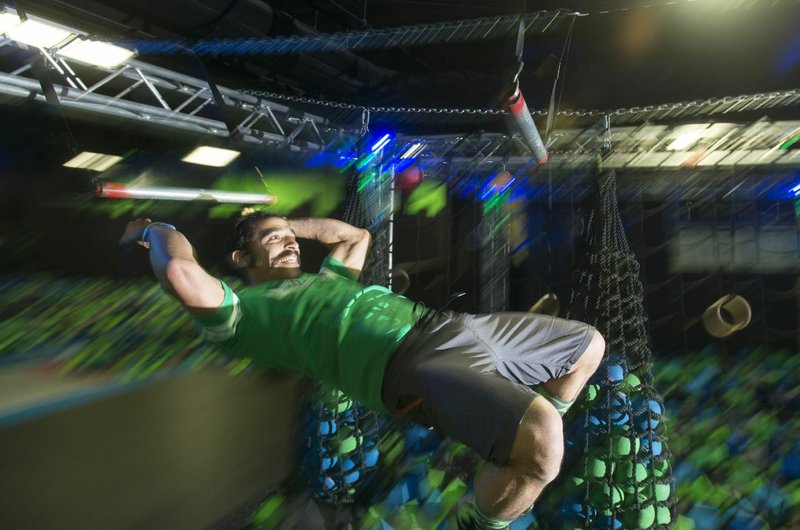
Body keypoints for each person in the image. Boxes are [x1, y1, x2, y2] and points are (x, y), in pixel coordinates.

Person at [119, 212, 604, 530]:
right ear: (240, 259)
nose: (290, 243)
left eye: (291, 237)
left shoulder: (327, 279)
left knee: (587, 346)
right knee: (544, 444)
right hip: (411, 369)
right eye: (274, 240)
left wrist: (285, 222)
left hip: (451, 326)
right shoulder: (240, 313)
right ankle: (480, 518)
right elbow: (181, 272)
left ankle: (506, 422)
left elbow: (355, 236)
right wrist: (153, 229)